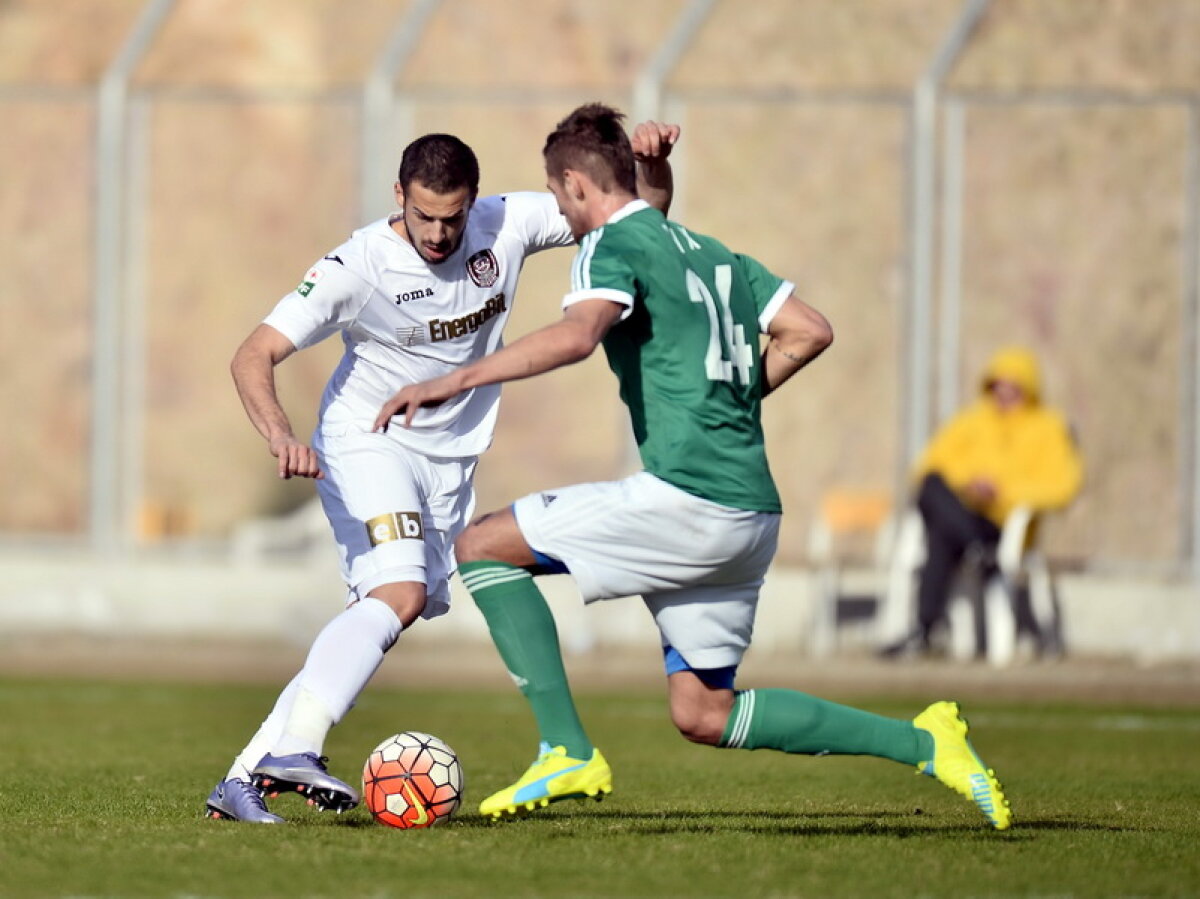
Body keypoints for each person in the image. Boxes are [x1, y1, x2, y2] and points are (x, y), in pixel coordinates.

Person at [378, 103, 1012, 830]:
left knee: (481, 547)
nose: (562, 216)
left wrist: (453, 379)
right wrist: (732, 396)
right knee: (705, 711)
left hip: (689, 500)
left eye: (560, 199)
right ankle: (926, 740)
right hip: (752, 513)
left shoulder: (605, 249)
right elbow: (810, 329)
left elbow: (580, 336)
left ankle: (565, 747)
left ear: (578, 188)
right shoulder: (713, 253)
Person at [206, 121, 681, 824]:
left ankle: (242, 780)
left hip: (449, 463)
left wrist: (654, 167)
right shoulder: (356, 266)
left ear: (475, 201)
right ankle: (299, 746)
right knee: (395, 593)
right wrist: (281, 434)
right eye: (422, 215)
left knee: (385, 612)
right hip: (366, 441)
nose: (436, 233)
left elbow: (636, 215)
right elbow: (254, 352)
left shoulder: (506, 223)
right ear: (398, 195)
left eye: (451, 217)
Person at [881, 346, 1084, 659]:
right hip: (966, 514)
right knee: (931, 486)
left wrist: (1003, 490)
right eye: (998, 385)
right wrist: (971, 482)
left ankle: (923, 630)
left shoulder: (1048, 427)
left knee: (939, 534)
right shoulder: (972, 421)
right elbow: (928, 464)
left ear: (1028, 388)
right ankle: (973, 553)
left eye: (1013, 387)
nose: (1004, 394)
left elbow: (1063, 487)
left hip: (1003, 525)